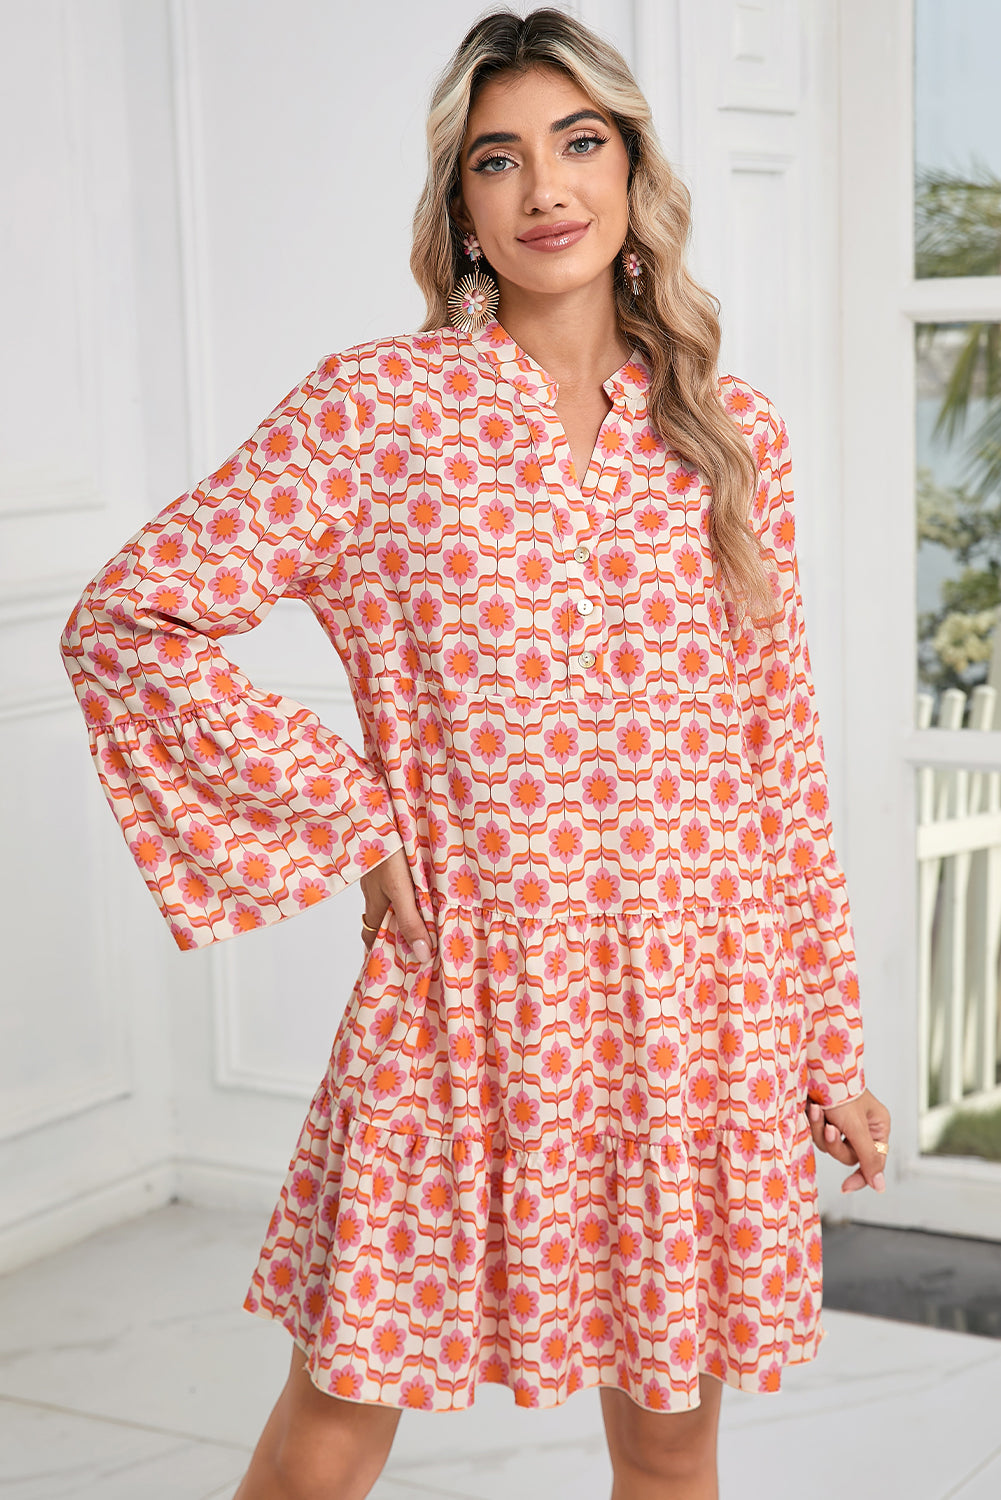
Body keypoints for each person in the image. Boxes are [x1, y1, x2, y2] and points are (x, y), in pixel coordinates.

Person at [58, 7, 892, 1498]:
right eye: (498, 161)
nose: (544, 188)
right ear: (460, 207)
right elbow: (133, 617)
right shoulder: (376, 414)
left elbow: (777, 762)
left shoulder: (727, 430)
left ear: (633, 176)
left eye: (579, 144)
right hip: (468, 991)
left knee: (670, 1448)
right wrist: (355, 826)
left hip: (692, 1001)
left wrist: (822, 1045)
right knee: (332, 1426)